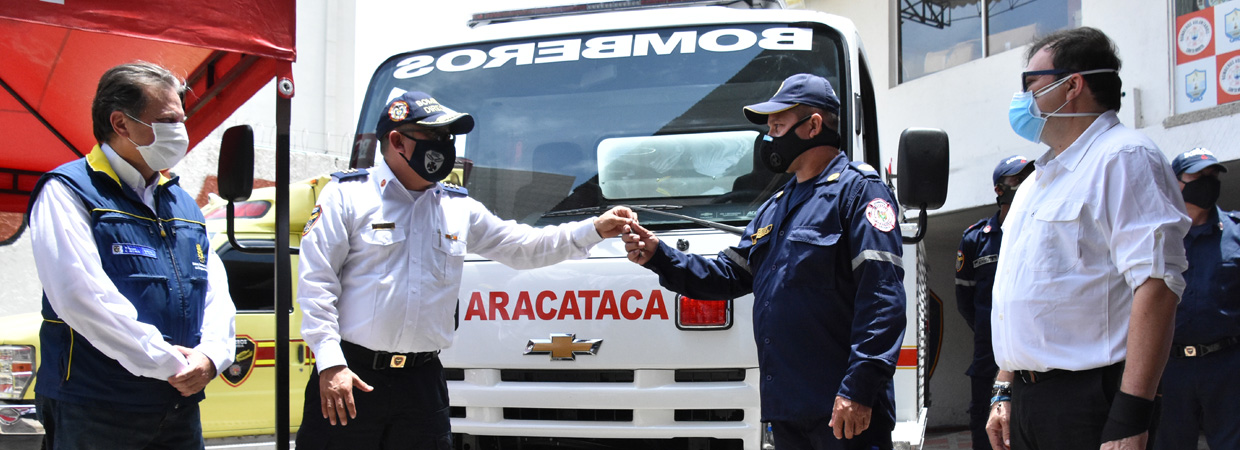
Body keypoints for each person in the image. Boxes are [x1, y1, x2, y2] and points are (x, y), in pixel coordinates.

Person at [295, 90, 637, 449]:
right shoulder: (347, 196)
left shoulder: (458, 207)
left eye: (448, 136)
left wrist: (594, 229)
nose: (445, 145)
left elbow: (524, 247)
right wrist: (330, 363)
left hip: (421, 384)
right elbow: (317, 284)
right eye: (433, 135)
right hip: (350, 376)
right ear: (397, 141)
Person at [622, 73, 906, 449]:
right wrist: (659, 255)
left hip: (844, 411)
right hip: (788, 410)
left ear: (813, 126)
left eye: (778, 125)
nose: (769, 137)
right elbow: (728, 275)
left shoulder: (858, 193)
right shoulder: (775, 208)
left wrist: (859, 389)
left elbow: (882, 299)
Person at [986, 27, 1189, 450]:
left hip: (1089, 402)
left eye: (1031, 84)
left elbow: (1157, 285)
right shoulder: (1035, 182)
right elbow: (1019, 299)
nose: (1022, 99)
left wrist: (1131, 415)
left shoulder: (1124, 157)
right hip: (1027, 402)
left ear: (1071, 86)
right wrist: (1005, 387)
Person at [27, 62, 237, 450]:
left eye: (182, 120)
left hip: (178, 406)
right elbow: (80, 297)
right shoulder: (69, 191)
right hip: (96, 409)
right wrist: (166, 362)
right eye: (168, 120)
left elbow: (214, 293)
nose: (181, 131)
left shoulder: (182, 203)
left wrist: (211, 356)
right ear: (121, 124)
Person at [1153, 148, 1239, 450]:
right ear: (1175, 183)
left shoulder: (1235, 233)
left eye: (1212, 175)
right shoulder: (1155, 236)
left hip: (1227, 365)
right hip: (1169, 367)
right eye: (1198, 176)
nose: (1208, 181)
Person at [955, 155, 1032, 450]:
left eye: (1028, 176)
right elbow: (966, 303)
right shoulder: (976, 239)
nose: (1025, 183)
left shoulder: (1040, 230)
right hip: (988, 358)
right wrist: (995, 333)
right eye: (1017, 179)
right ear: (999, 189)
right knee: (986, 431)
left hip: (1032, 360)